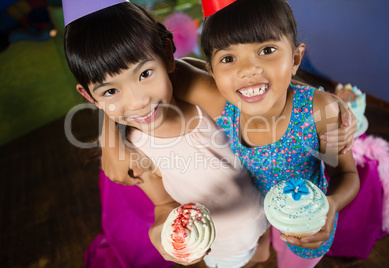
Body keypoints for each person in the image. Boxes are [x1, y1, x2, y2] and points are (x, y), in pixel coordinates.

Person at [64, 1, 270, 267]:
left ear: (168, 55)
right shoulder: (136, 150)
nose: (138, 102)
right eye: (110, 91)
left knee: (263, 251)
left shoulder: (206, 105)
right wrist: (160, 231)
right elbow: (164, 204)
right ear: (88, 96)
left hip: (263, 210)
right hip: (221, 245)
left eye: (145, 74)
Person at [196, 0, 360, 267]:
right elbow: (167, 72)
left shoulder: (318, 112)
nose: (248, 70)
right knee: (255, 254)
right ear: (211, 73)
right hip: (250, 212)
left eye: (267, 50)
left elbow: (345, 173)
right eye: (228, 58)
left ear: (295, 59)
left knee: (294, 261)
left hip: (303, 221)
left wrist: (331, 205)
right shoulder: (218, 103)